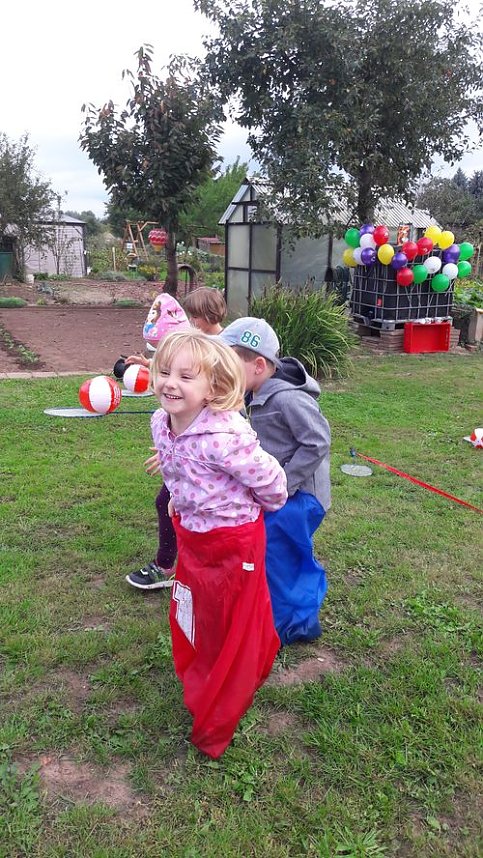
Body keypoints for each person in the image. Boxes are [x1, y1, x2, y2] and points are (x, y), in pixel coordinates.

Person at [150, 330, 287, 757]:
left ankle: (229, 686)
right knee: (200, 613)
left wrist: (253, 508)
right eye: (165, 371)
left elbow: (274, 486)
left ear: (213, 387)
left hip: (234, 542)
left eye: (186, 376)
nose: (171, 383)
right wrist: (177, 494)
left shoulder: (227, 436)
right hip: (193, 537)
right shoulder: (160, 422)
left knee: (232, 617)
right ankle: (209, 664)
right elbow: (176, 472)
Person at [220, 317, 331, 646]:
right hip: (277, 494)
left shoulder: (288, 399)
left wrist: (285, 482)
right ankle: (268, 612)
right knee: (266, 554)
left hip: (300, 498)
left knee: (278, 557)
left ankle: (291, 626)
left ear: (257, 365)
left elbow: (318, 441)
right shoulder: (254, 393)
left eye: (229, 365)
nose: (222, 373)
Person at [126, 287, 227, 590]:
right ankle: (178, 564)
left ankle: (168, 566)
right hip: (189, 445)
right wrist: (149, 365)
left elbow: (211, 400)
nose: (189, 323)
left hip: (204, 449)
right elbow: (184, 376)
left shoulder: (219, 348)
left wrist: (179, 450)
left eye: (193, 318)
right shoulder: (204, 343)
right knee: (169, 501)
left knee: (180, 502)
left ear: (207, 317)